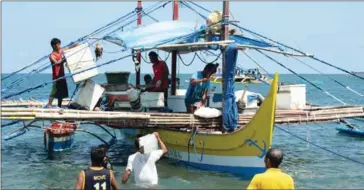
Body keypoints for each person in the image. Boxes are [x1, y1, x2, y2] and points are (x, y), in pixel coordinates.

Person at [47, 38, 78, 108]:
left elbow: (68, 48)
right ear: (54, 46)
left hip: (62, 76)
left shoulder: (61, 51)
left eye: (60, 44)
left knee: (61, 93)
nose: (60, 46)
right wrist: (63, 59)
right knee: (54, 91)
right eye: (58, 44)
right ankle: (49, 105)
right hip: (56, 77)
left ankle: (59, 106)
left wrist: (75, 45)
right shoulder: (52, 55)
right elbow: (57, 63)